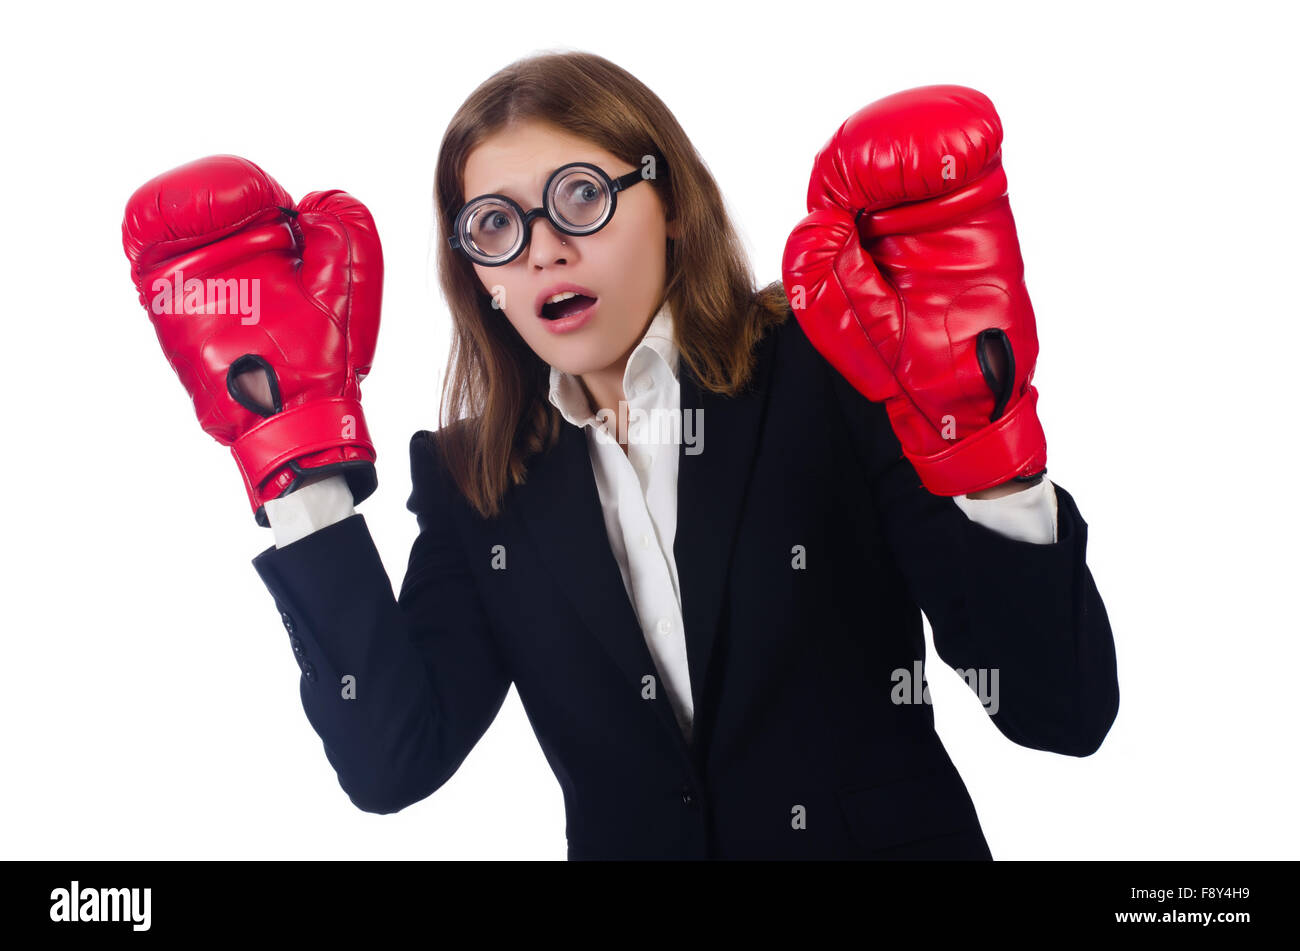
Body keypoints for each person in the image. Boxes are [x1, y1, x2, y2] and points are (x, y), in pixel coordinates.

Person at [122, 51, 1118, 860]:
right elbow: (393, 764)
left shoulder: (829, 372)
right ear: (477, 275)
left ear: (669, 202)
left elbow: (1058, 711)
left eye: (581, 197)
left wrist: (982, 444)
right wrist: (292, 460)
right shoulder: (478, 482)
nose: (544, 249)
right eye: (497, 227)